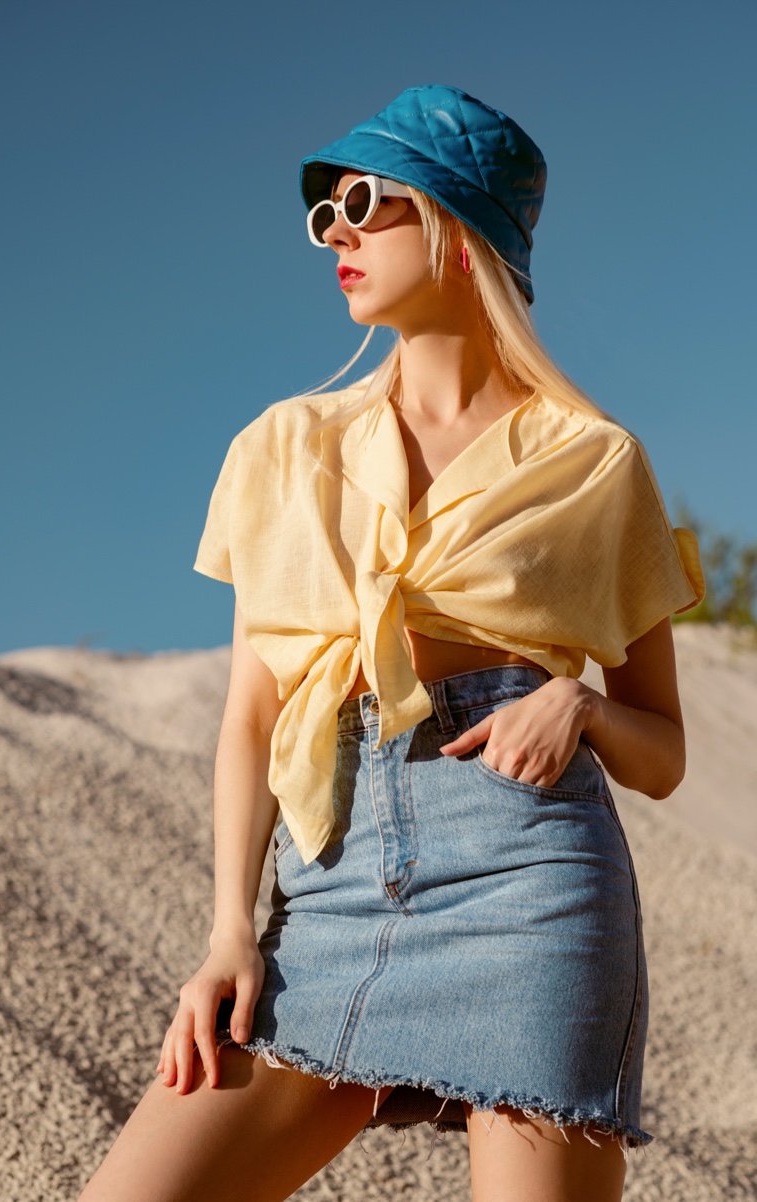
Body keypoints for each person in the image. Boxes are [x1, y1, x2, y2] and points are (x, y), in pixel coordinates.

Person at [79, 85, 704, 1202]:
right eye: (326, 209)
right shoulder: (284, 446)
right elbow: (252, 714)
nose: (337, 231)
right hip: (326, 887)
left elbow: (660, 752)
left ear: (460, 232)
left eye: (368, 202)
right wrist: (229, 929)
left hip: (531, 889)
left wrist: (585, 706)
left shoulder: (594, 461)